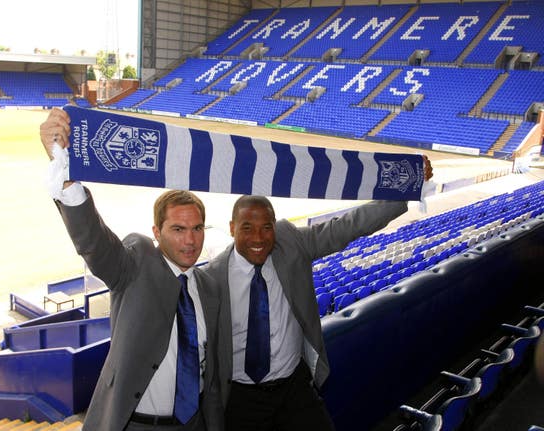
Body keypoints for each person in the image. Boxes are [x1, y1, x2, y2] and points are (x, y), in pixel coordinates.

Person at [205, 158, 433, 431]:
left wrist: (405, 187)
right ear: (232, 228)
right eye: (247, 228)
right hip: (242, 398)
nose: (258, 238)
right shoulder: (212, 279)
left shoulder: (290, 243)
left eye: (267, 227)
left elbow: (346, 226)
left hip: (295, 387)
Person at [39, 107, 223, 431]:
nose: (191, 240)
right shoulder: (136, 263)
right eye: (178, 229)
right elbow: (96, 244)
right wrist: (66, 176)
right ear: (157, 232)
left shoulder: (208, 286)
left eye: (197, 228)